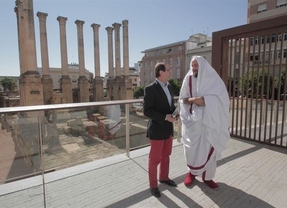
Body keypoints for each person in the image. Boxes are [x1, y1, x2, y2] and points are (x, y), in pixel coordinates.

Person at [179, 56, 230, 189]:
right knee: (191, 150)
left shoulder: (213, 79)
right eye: (192, 65)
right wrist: (195, 100)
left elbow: (222, 99)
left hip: (209, 122)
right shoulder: (187, 79)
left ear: (203, 65)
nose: (194, 68)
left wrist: (206, 100)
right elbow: (183, 99)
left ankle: (207, 177)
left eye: (196, 65)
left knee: (209, 150)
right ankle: (191, 173)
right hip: (192, 122)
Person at [143, 62, 178, 198]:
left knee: (166, 156)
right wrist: (165, 117)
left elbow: (170, 106)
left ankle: (164, 177)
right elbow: (147, 111)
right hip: (157, 130)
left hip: (168, 129)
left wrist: (175, 114)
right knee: (154, 159)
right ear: (161, 73)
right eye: (168, 70)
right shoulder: (150, 89)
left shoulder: (169, 87)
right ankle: (153, 185)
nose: (170, 72)